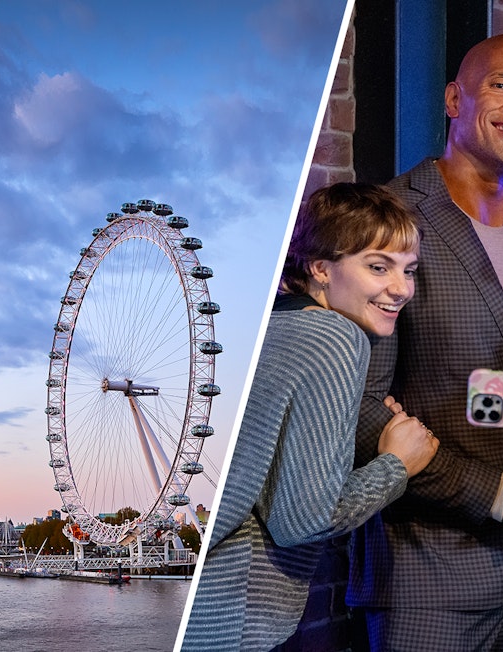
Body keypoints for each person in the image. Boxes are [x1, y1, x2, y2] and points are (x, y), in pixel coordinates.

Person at [348, 34, 503, 651]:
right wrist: (497, 493)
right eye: (500, 84)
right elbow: (353, 410)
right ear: (454, 99)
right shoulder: (386, 222)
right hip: (423, 579)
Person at [181, 183, 438, 652]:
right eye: (378, 267)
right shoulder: (335, 337)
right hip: (230, 616)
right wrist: (398, 464)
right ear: (321, 268)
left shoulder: (273, 325)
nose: (401, 289)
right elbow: (303, 521)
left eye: (409, 270)